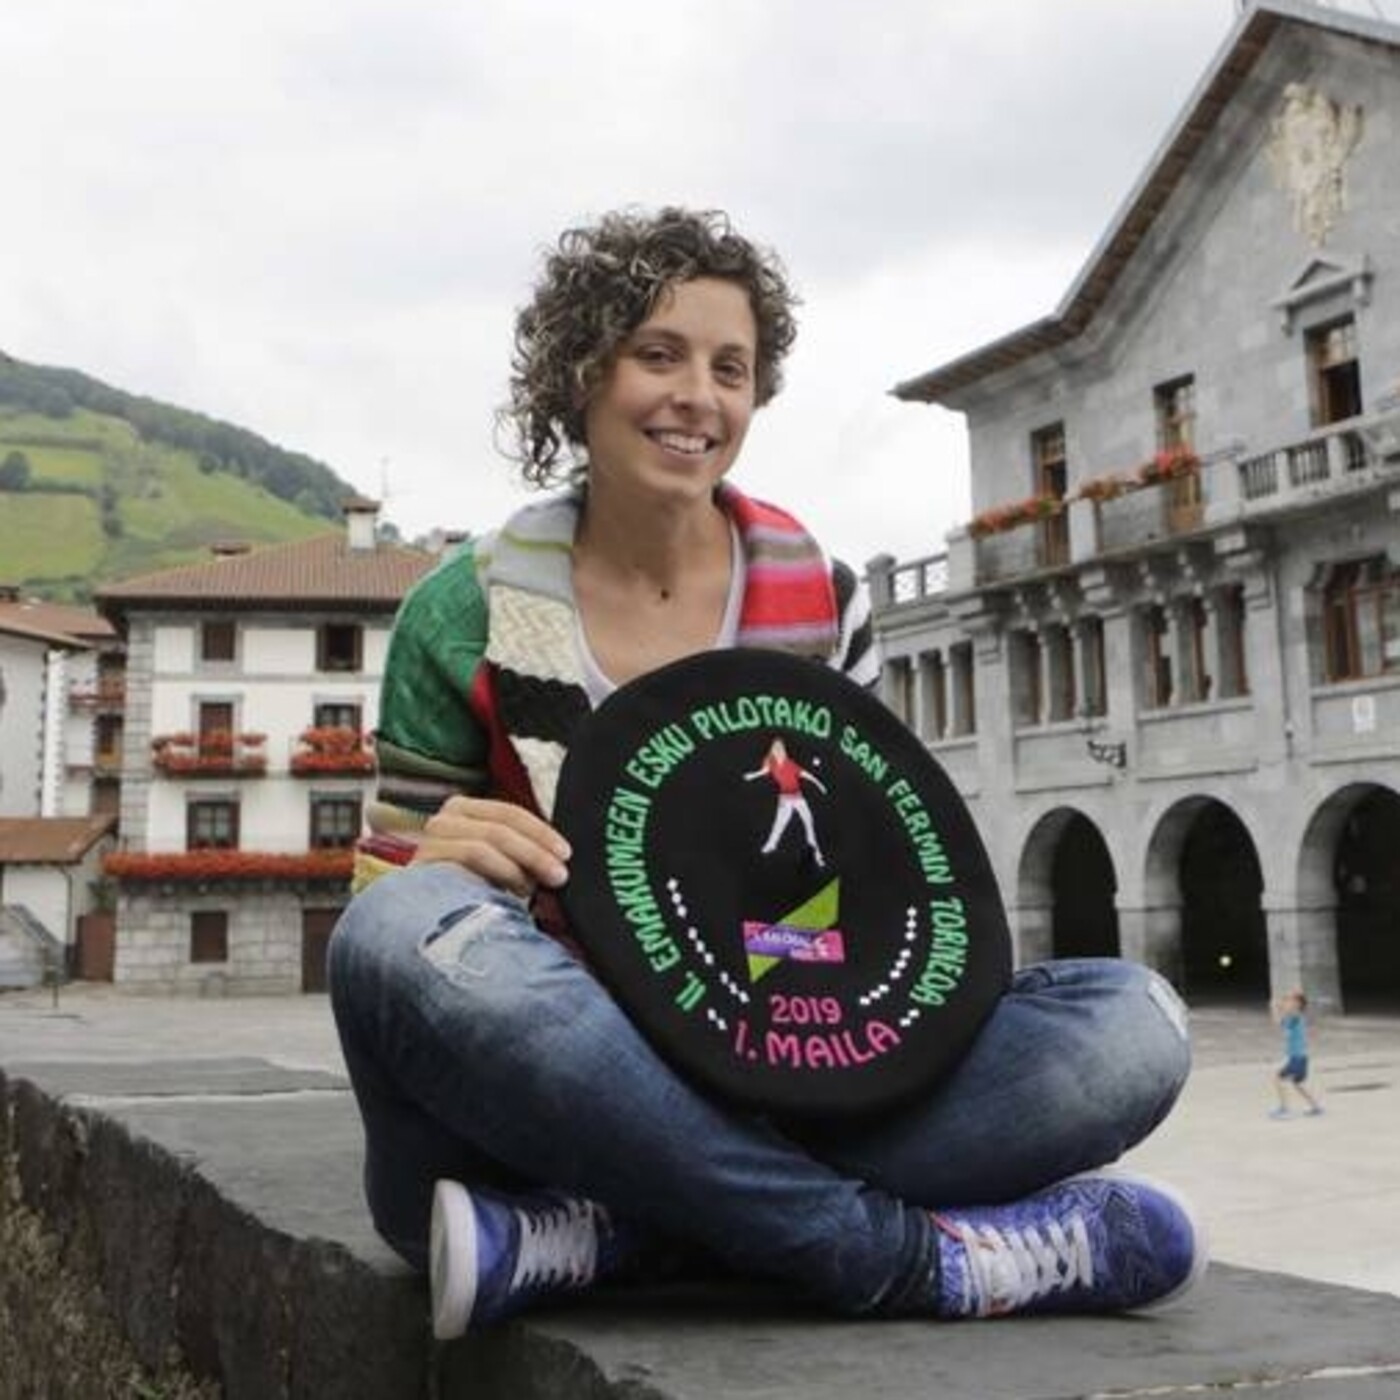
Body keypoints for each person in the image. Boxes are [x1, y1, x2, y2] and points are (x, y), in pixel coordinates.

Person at [328, 206, 1206, 1339]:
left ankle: (624, 1232)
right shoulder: (464, 609)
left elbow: (873, 889)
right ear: (581, 374)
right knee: (396, 932)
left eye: (729, 368)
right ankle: (910, 1260)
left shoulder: (825, 603)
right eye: (659, 355)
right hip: (542, 1104)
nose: (697, 396)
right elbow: (392, 944)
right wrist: (424, 866)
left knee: (1133, 1021)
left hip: (788, 1069)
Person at [745, 735, 828, 866]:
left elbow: (807, 775)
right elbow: (764, 771)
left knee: (808, 824)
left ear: (784, 750)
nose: (778, 750)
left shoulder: (790, 764)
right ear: (772, 750)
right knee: (779, 823)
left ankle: (817, 855)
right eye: (775, 748)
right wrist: (752, 776)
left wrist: (820, 784)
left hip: (798, 798)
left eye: (780, 748)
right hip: (785, 799)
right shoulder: (770, 762)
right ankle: (771, 845)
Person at [1270, 989, 1323, 1119]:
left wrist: (1276, 1006)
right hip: (1301, 1057)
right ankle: (1316, 1107)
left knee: (1278, 1078)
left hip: (1297, 1058)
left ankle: (1285, 1110)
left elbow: (1285, 1014)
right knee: (1298, 1084)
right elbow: (1279, 1022)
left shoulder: (1296, 1015)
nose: (1287, 1001)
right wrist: (1275, 1008)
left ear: (1297, 1003)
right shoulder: (1293, 1016)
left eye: (1290, 999)